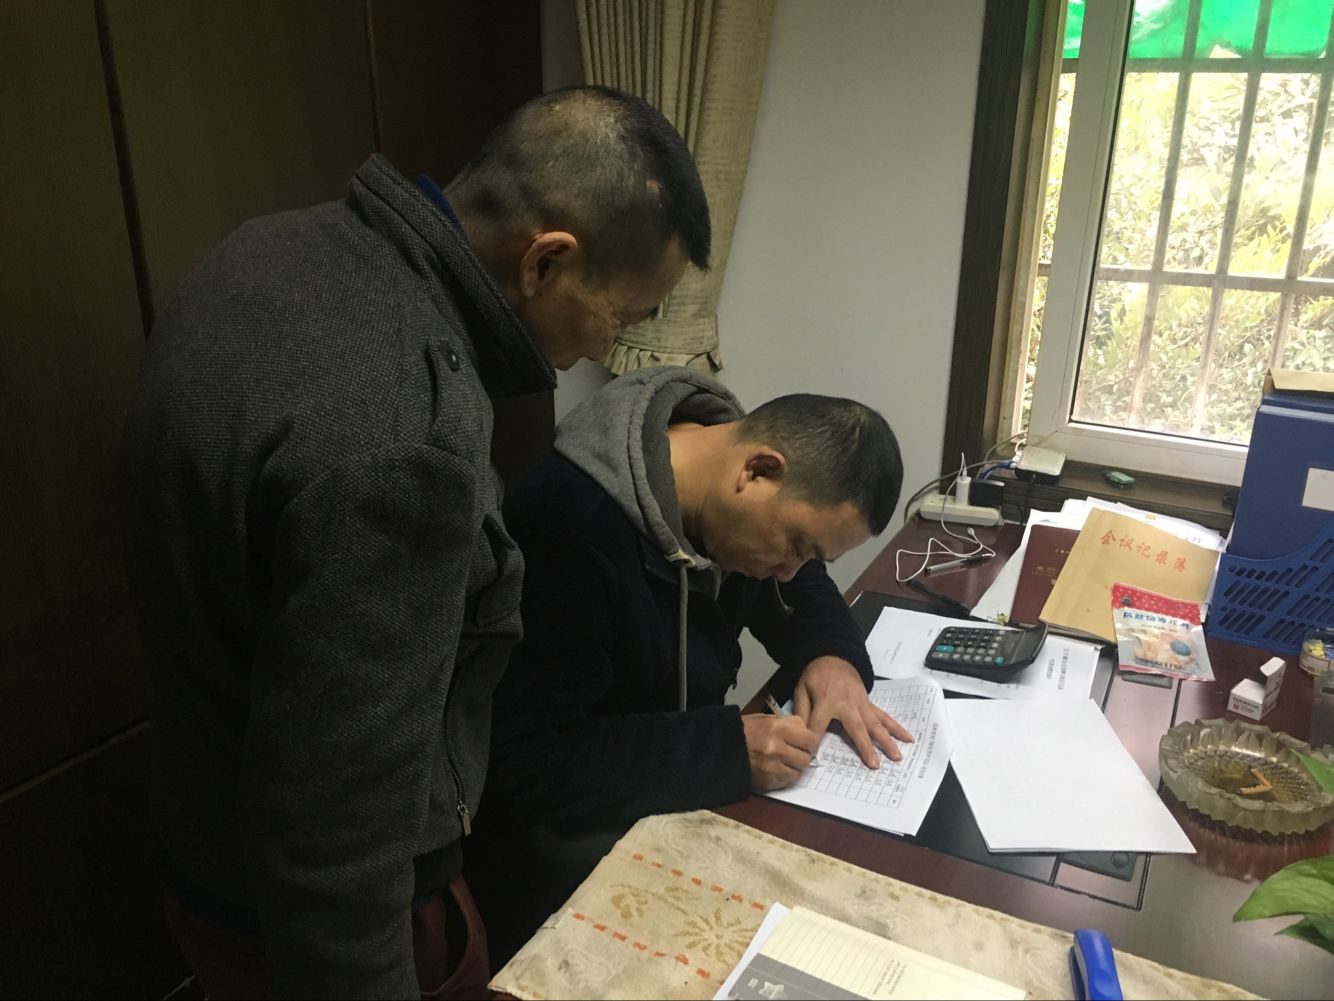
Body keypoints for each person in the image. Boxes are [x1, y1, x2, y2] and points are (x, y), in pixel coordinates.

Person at [117, 86, 709, 999]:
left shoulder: (273, 247)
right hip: (320, 923)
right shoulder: (409, 440)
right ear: (546, 261)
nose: (606, 346)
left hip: (202, 828)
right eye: (621, 315)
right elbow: (337, 834)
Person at [465, 366, 909, 965]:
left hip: (667, 799)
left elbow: (802, 591)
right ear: (757, 471)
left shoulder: (727, 488)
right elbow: (522, 761)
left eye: (813, 557)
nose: (789, 571)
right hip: (556, 861)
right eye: (796, 546)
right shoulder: (566, 529)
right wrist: (724, 749)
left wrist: (834, 656)